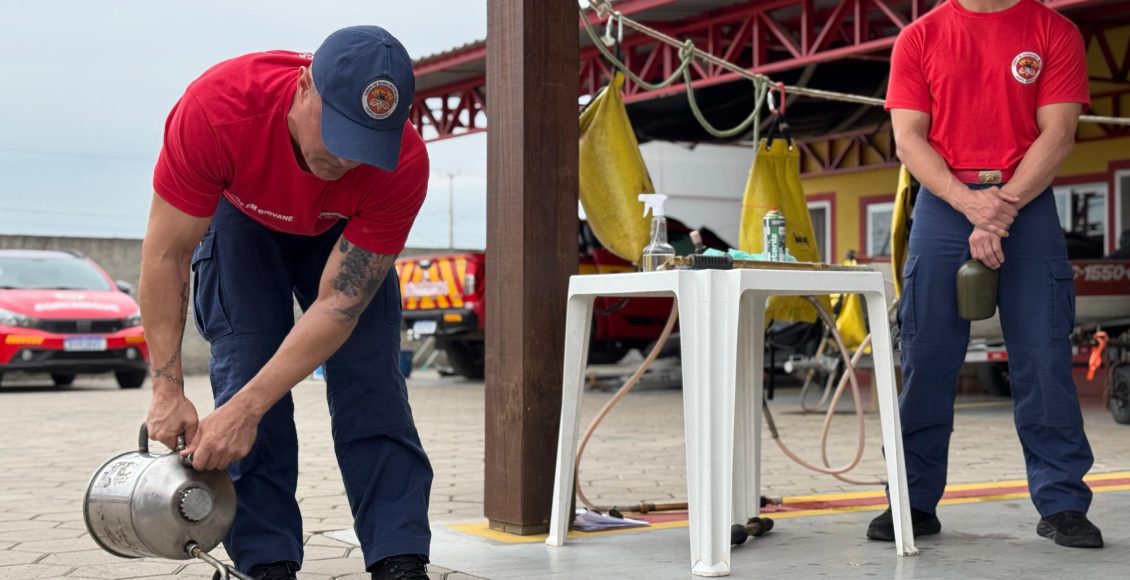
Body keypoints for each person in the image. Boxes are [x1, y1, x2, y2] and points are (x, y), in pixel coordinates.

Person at [140, 26, 434, 580]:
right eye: (339, 133)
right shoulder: (218, 110)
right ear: (303, 87)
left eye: (366, 145)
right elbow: (166, 256)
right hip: (243, 219)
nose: (347, 159)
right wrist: (167, 387)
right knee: (247, 370)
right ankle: (266, 561)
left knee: (371, 380)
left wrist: (249, 407)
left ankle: (398, 556)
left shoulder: (402, 165)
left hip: (343, 232)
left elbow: (338, 305)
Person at [869, 0, 1102, 548]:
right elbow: (908, 139)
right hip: (942, 203)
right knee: (925, 355)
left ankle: (1064, 502)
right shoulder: (920, 38)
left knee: (1044, 355)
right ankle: (912, 500)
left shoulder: (1053, 31)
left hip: (1029, 199)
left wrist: (1003, 205)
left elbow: (1060, 133)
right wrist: (970, 205)